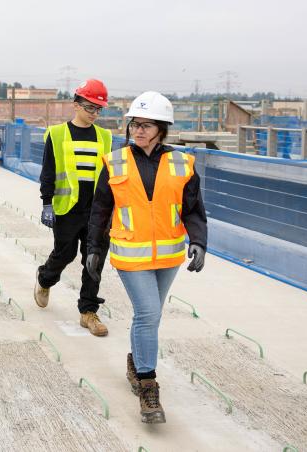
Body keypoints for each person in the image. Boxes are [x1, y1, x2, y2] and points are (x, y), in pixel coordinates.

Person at [85, 91, 207, 424]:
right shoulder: (116, 161)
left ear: (161, 129)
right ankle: (148, 386)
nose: (138, 130)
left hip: (168, 256)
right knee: (148, 313)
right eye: (135, 124)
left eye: (147, 125)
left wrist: (199, 241)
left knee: (150, 318)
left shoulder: (182, 163)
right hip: (130, 254)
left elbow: (193, 209)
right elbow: (100, 210)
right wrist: (95, 250)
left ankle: (136, 361)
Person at [34, 79, 113, 337]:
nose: (94, 114)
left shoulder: (106, 137)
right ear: (76, 105)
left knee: (94, 259)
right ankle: (45, 278)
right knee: (64, 254)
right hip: (68, 209)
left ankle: (88, 311)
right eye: (90, 108)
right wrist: (47, 203)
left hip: (97, 211)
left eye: (98, 109)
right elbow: (49, 171)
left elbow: (112, 175)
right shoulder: (57, 134)